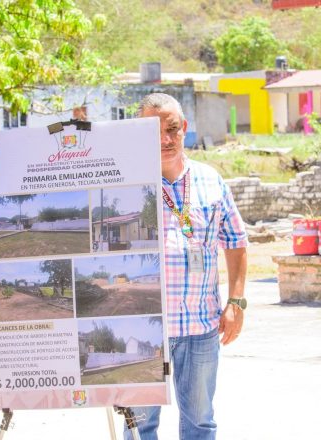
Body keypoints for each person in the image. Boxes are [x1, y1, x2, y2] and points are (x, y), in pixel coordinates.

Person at [125, 93, 249, 440]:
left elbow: (237, 241)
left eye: (172, 129)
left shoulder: (211, 180)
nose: (165, 139)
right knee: (139, 428)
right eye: (154, 131)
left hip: (201, 328)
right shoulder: (125, 183)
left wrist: (236, 302)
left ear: (185, 129)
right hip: (143, 333)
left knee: (200, 424)